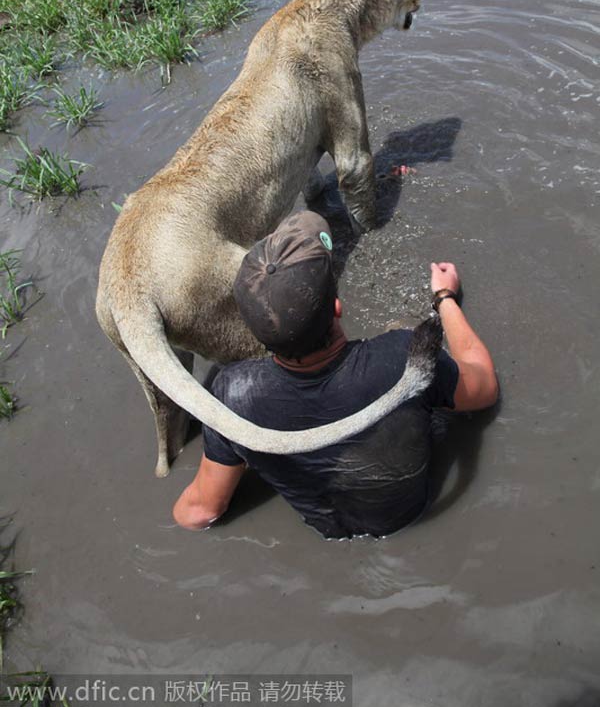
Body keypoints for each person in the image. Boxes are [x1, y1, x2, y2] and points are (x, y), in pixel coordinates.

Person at [173, 212, 498, 539]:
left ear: (256, 334)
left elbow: (199, 513)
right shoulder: (401, 355)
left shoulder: (233, 396)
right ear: (338, 307)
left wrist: (244, 446)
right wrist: (445, 299)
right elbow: (484, 389)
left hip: (327, 530)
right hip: (409, 515)